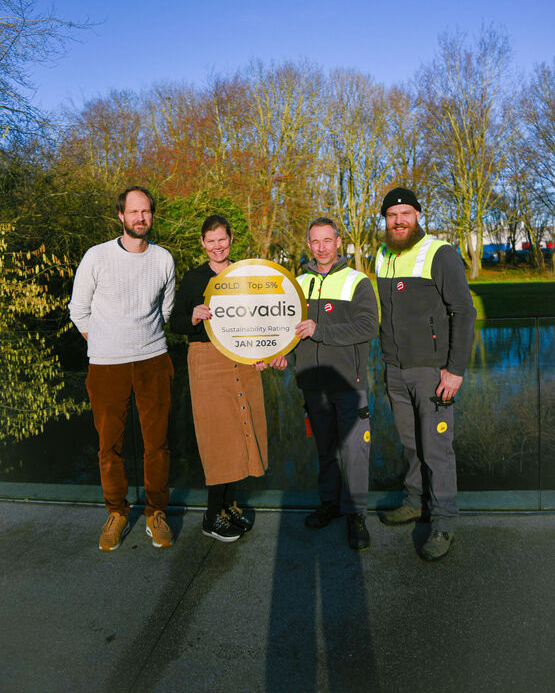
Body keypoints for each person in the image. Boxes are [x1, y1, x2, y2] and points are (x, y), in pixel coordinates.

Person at [69, 186, 176, 551]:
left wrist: (142, 340)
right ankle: (116, 513)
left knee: (157, 445)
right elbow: (78, 310)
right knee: (108, 446)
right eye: (133, 211)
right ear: (120, 215)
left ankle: (155, 513)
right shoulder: (97, 257)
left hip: (154, 361)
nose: (140, 217)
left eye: (145, 211)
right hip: (106, 365)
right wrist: (104, 341)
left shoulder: (163, 259)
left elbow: (165, 309)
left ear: (152, 215)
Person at [170, 214, 284, 543]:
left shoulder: (245, 275)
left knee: (243, 432)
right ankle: (211, 516)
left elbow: (262, 318)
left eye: (222, 239)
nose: (217, 246)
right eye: (211, 241)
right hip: (206, 361)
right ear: (202, 243)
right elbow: (175, 322)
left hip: (242, 358)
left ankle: (228, 505)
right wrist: (193, 316)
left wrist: (265, 351)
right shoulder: (194, 278)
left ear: (231, 239)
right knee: (217, 437)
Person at [376, 187, 476, 560]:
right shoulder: (382, 255)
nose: (398, 221)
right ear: (385, 220)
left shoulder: (439, 253)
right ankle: (414, 501)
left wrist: (454, 370)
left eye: (405, 213)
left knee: (436, 449)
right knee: (411, 444)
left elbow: (463, 311)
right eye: (392, 215)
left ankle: (443, 522)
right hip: (395, 370)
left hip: (432, 372)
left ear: (418, 215)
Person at [293, 218, 379, 551]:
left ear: (339, 242)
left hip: (348, 383)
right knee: (325, 450)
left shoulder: (357, 281)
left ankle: (356, 515)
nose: (322, 248)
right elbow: (288, 329)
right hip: (312, 383)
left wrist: (321, 331)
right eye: (315, 242)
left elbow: (368, 326)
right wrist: (279, 354)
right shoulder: (298, 282)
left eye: (327, 240)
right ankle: (329, 503)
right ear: (308, 244)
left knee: (355, 453)